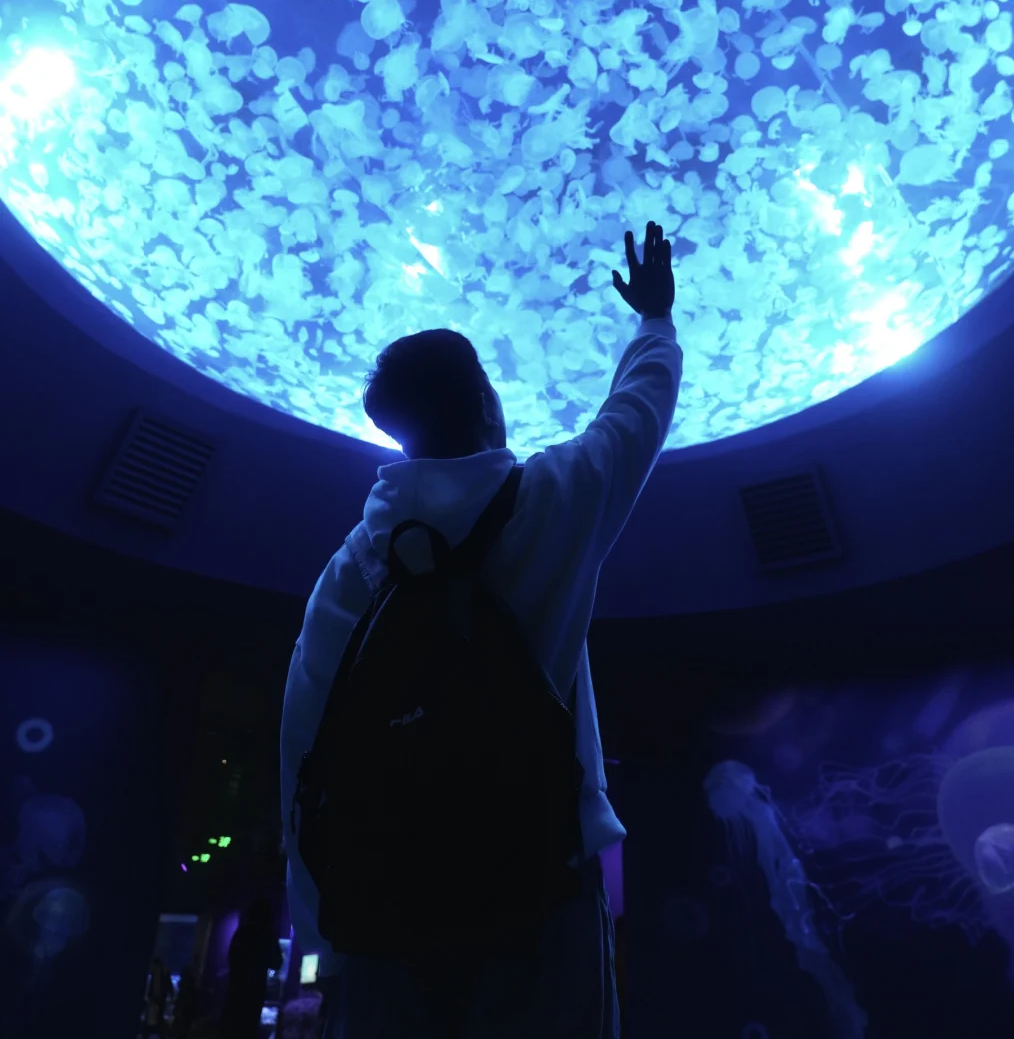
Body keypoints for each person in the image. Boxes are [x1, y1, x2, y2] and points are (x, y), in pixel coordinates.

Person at [280, 221, 681, 1038]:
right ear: (490, 406)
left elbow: (303, 749)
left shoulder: (352, 569)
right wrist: (654, 320)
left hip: (384, 915)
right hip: (539, 891)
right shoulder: (554, 500)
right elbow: (636, 413)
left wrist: (325, 943)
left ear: (396, 430)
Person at [220, 899, 283, 1039]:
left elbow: (230, 959)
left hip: (234, 993)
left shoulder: (240, 933)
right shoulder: (266, 934)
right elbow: (277, 962)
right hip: (253, 996)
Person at [143, 955, 173, 1038]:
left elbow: (153, 985)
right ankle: (160, 1034)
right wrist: (171, 994)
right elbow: (168, 984)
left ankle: (148, 1034)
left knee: (151, 1017)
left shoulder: (156, 971)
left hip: (155, 998)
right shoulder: (164, 971)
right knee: (158, 1016)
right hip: (159, 998)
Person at [172, 963, 197, 1039]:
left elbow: (181, 998)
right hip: (187, 1010)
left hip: (183, 1009)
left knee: (180, 1029)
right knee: (184, 1028)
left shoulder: (183, 986)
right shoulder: (191, 987)